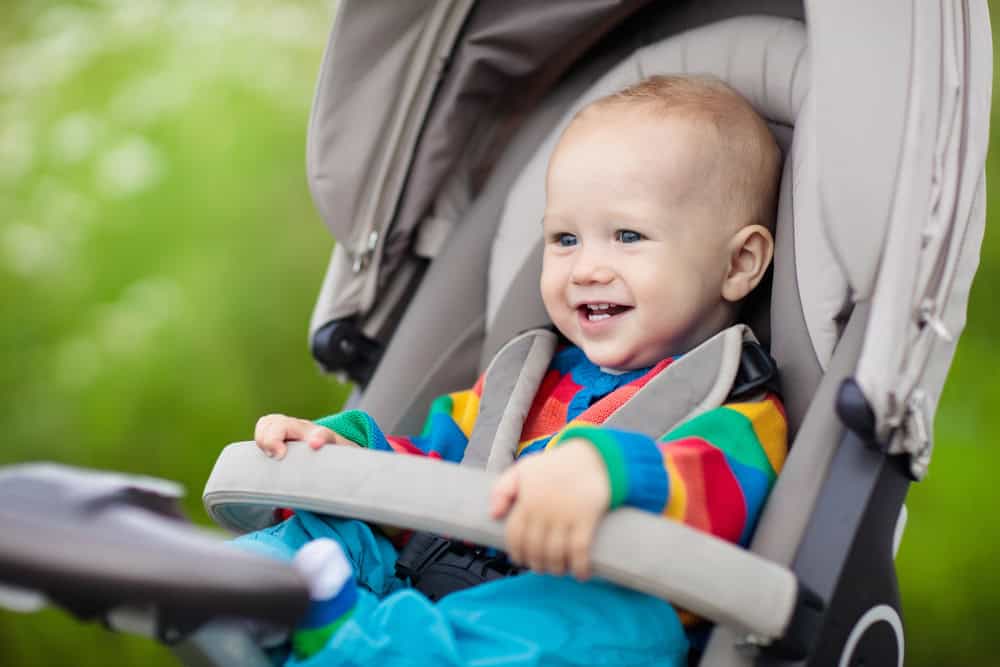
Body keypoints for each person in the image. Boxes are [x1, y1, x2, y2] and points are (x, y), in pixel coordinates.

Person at [237, 74, 786, 666]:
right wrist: (344, 452)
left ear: (740, 263)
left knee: (590, 627)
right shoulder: (520, 380)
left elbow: (714, 500)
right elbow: (434, 464)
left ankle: (335, 635)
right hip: (431, 576)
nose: (586, 269)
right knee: (326, 530)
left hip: (581, 605)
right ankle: (260, 596)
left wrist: (610, 473)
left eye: (627, 235)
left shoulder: (736, 412)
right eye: (565, 238)